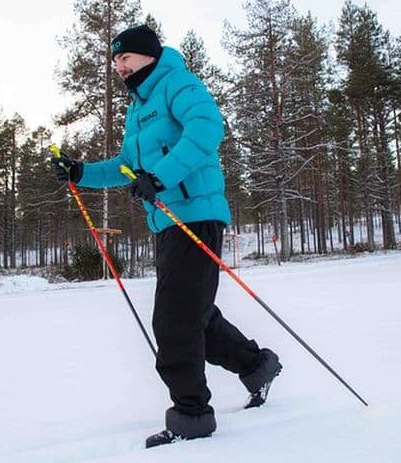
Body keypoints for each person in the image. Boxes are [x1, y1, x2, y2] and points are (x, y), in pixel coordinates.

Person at [52, 25, 281, 448]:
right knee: (194, 313)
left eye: (125, 58)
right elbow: (126, 165)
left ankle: (192, 415)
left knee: (174, 319)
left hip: (196, 215)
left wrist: (160, 176)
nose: (118, 66)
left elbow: (209, 128)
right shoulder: (138, 107)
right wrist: (81, 172)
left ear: (148, 56)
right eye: (115, 61)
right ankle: (255, 366)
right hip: (167, 222)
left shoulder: (177, 83)